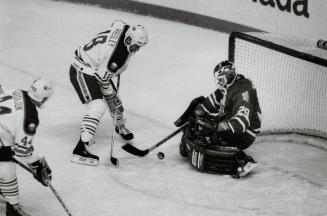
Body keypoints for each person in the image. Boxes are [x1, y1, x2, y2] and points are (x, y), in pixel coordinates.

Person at [69, 20, 148, 166]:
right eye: (136, 45)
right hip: (82, 70)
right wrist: (111, 97)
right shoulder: (116, 58)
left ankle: (119, 126)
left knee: (116, 102)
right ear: (129, 39)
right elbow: (102, 79)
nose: (137, 49)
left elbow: (116, 22)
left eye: (140, 46)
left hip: (96, 68)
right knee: (98, 106)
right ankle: (81, 148)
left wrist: (113, 99)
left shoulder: (124, 28)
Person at [174, 60, 262, 178]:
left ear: (229, 76)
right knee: (198, 129)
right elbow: (208, 104)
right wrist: (195, 115)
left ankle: (241, 160)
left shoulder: (243, 90)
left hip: (245, 133)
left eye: (221, 78)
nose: (219, 82)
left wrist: (216, 127)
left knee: (210, 135)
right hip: (232, 124)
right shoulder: (228, 86)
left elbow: (241, 123)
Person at [0, 79, 54, 216]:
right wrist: (37, 165)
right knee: (7, 169)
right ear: (43, 98)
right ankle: (13, 208)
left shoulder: (17, 91)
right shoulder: (30, 117)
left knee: (6, 154)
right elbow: (22, 151)